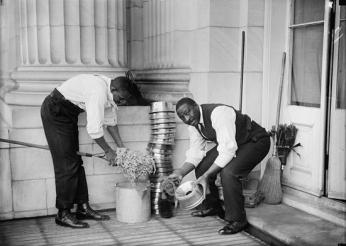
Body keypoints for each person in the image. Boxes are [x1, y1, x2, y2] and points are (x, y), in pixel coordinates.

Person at [41, 74, 143, 229]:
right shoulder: (98, 91)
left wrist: (121, 148)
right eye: (121, 99)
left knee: (75, 163)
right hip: (55, 112)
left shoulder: (109, 93)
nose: (123, 103)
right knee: (66, 165)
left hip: (68, 115)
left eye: (125, 100)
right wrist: (109, 151)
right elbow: (94, 130)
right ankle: (63, 213)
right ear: (114, 89)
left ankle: (82, 208)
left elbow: (110, 123)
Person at [169, 97, 270, 235]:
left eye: (188, 112)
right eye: (182, 117)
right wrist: (180, 172)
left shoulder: (219, 114)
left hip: (255, 141)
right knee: (202, 166)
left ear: (195, 106)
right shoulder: (194, 125)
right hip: (235, 144)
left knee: (229, 173)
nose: (186, 118)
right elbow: (195, 154)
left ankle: (238, 220)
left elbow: (228, 150)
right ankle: (213, 206)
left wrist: (206, 176)